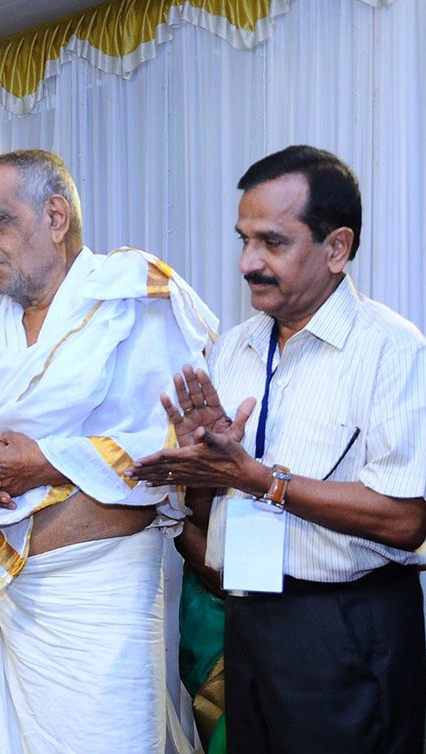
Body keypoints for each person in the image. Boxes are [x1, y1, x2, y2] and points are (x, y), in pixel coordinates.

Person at [131, 145, 426, 753]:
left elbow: (407, 519)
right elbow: (209, 514)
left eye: (272, 242)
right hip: (247, 622)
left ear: (337, 248)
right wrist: (206, 467)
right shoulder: (232, 349)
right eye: (243, 240)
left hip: (346, 630)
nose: (247, 262)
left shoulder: (392, 350)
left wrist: (263, 479)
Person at [0, 150, 211, 753]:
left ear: (55, 217)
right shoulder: (5, 326)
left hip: (107, 599)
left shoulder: (131, 296)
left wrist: (45, 461)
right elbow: (16, 444)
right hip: (16, 598)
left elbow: (180, 446)